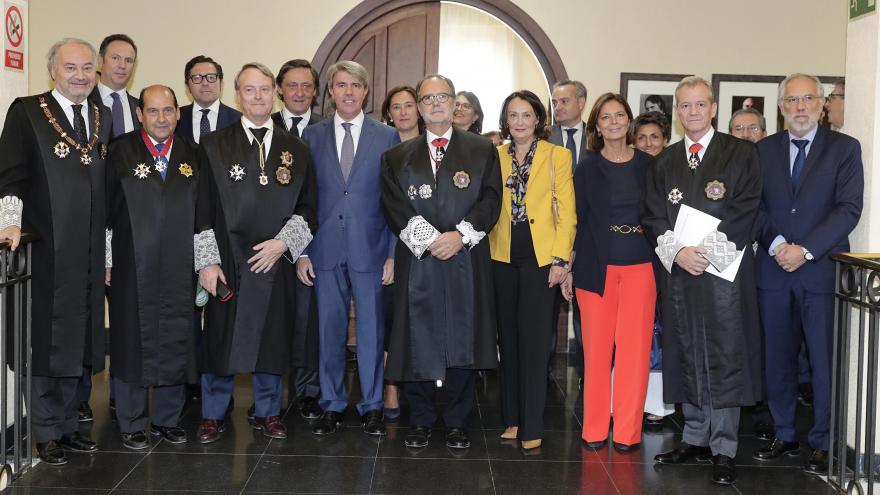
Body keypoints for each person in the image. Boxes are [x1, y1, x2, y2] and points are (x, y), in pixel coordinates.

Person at [644, 76, 763, 485]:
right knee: (686, 350)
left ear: (713, 109)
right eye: (684, 106)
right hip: (681, 274)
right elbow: (653, 215)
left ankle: (724, 448)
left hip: (724, 275)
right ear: (677, 112)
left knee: (725, 356)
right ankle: (694, 437)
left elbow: (746, 209)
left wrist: (707, 254)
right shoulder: (665, 160)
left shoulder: (741, 154)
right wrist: (679, 253)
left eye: (699, 105)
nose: (692, 112)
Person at [0, 38, 110, 465]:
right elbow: (9, 174)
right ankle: (44, 432)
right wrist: (9, 221)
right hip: (46, 250)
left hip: (86, 254)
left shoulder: (100, 118)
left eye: (87, 68)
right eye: (71, 68)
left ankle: (68, 426)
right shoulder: (27, 112)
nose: (80, 75)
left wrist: (107, 255)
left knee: (78, 342)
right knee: (46, 343)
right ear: (53, 70)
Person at [195, 62, 317, 443]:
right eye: (250, 90)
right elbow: (200, 207)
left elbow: (309, 207)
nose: (258, 97)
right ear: (238, 95)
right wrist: (207, 261)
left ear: (275, 93)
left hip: (274, 261)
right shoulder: (213, 145)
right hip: (228, 261)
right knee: (220, 339)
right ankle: (213, 413)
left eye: (264, 89)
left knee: (271, 340)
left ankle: (267, 411)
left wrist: (283, 244)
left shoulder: (297, 148)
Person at [381, 74, 501, 450]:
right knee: (417, 338)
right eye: (428, 98)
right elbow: (393, 206)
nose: (435, 103)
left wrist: (459, 236)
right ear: (418, 107)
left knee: (463, 338)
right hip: (418, 260)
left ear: (454, 104)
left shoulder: (482, 150)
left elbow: (491, 200)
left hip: (464, 257)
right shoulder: (396, 156)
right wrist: (431, 240)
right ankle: (420, 419)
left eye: (443, 97)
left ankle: (457, 420)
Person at [752, 73, 864, 476]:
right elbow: (754, 207)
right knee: (777, 360)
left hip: (821, 272)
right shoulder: (762, 151)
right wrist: (779, 244)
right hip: (774, 269)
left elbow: (848, 209)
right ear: (781, 107)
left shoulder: (845, 149)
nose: (800, 107)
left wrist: (806, 250)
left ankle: (823, 441)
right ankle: (784, 433)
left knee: (823, 360)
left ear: (821, 105)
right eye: (792, 100)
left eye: (808, 99)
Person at [299, 61, 399, 437]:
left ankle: (371, 405)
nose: (348, 92)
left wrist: (391, 253)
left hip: (371, 249)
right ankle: (333, 403)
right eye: (341, 85)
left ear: (366, 91)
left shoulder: (386, 136)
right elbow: (304, 198)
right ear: (330, 92)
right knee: (329, 330)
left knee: (372, 332)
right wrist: (303, 251)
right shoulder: (312, 135)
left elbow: (394, 201)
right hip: (324, 249)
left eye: (356, 85)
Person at [559, 93, 655, 453]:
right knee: (596, 354)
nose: (613, 122)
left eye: (619, 115)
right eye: (605, 117)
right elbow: (576, 222)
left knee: (634, 353)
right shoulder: (585, 169)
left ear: (628, 121)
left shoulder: (650, 166)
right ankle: (595, 428)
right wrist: (568, 267)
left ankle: (628, 432)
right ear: (596, 126)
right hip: (594, 268)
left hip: (641, 267)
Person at [105, 85, 198, 449]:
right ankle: (130, 421)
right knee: (130, 338)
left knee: (176, 336)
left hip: (179, 264)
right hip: (131, 264)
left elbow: (203, 211)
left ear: (178, 113)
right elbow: (106, 214)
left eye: (168, 111)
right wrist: (107, 261)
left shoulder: (193, 153)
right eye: (153, 111)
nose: (162, 119)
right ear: (140, 114)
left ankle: (167, 419)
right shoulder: (119, 152)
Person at [489, 90, 575, 451]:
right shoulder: (493, 156)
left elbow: (567, 210)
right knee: (508, 340)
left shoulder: (558, 155)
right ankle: (512, 418)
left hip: (542, 257)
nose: (520, 122)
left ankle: (533, 423)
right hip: (501, 254)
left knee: (536, 343)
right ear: (505, 121)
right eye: (513, 115)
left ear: (539, 119)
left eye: (526, 115)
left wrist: (561, 259)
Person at [268, 58, 324, 421]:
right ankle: (269, 395)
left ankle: (307, 392)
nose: (300, 92)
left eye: (306, 86)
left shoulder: (326, 129)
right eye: (292, 86)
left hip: (316, 238)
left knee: (309, 319)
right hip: (269, 242)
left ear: (316, 92)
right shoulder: (262, 126)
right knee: (273, 319)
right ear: (279, 90)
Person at [630, 110, 674, 427]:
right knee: (635, 333)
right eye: (641, 138)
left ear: (665, 141)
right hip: (632, 258)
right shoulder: (627, 170)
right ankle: (630, 400)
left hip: (669, 259)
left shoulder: (675, 172)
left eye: (654, 138)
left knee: (662, 333)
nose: (647, 143)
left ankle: (660, 404)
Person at [548, 79, 588, 385]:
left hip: (589, 236)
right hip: (550, 238)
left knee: (587, 314)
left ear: (581, 102)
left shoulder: (599, 138)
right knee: (546, 314)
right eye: (555, 102)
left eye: (564, 101)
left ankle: (590, 374)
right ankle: (544, 374)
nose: (558, 107)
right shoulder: (543, 140)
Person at [178, 55, 242, 144]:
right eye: (197, 78)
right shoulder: (175, 118)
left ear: (221, 84)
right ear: (187, 87)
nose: (205, 83)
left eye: (211, 77)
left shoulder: (239, 120)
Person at [88, 34, 140, 139]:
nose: (122, 65)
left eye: (128, 60)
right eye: (115, 58)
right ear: (100, 61)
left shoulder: (140, 108)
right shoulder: (83, 102)